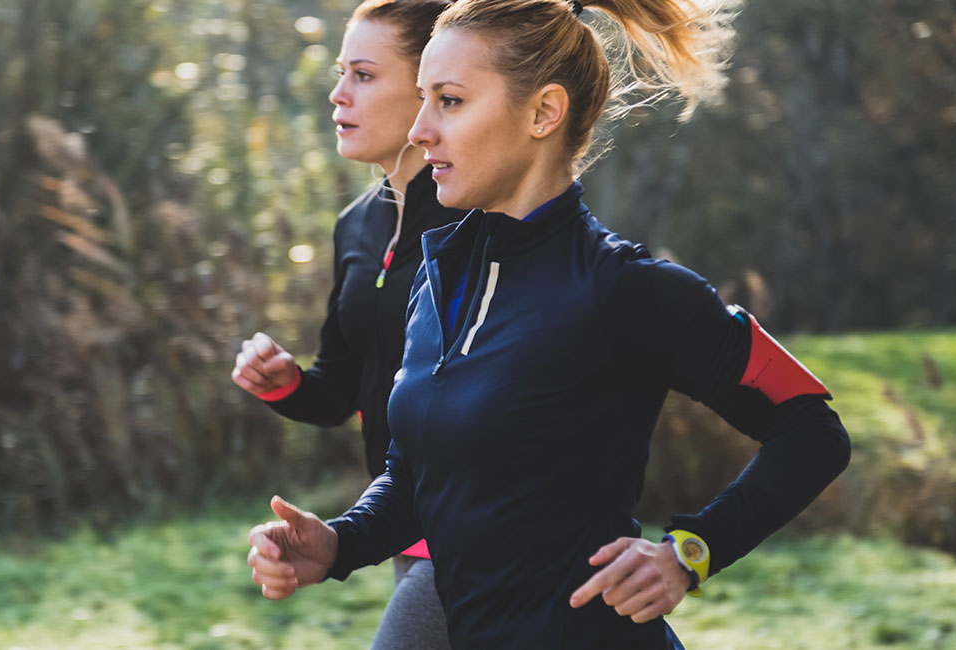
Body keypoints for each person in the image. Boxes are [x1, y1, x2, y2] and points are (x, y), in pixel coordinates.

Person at [246, 0, 852, 648]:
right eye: (422, 100)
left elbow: (812, 430)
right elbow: (418, 478)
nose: (420, 130)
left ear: (544, 113)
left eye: (449, 101)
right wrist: (339, 543)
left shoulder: (624, 289)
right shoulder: (437, 279)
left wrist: (692, 551)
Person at [231, 2, 461, 648]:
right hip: (398, 526)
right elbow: (341, 391)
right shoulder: (356, 224)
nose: (338, 94)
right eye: (341, 73)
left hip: (475, 529)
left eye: (363, 74)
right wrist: (283, 382)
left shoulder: (477, 224)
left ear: (428, 88)